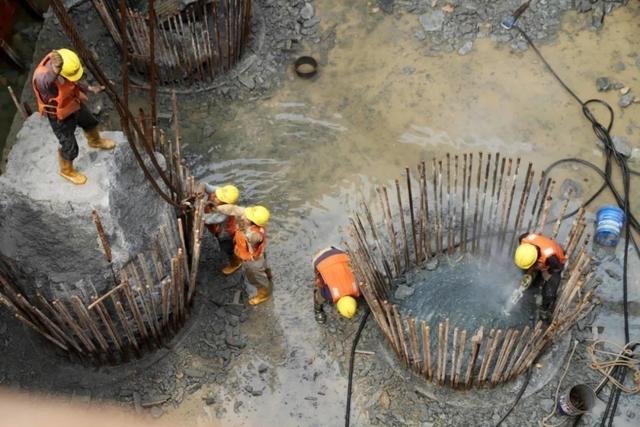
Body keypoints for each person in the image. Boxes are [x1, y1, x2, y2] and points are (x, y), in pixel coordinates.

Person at [32, 48, 115, 185]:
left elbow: (72, 82)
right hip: (59, 115)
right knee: (69, 146)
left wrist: (90, 88)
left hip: (73, 102)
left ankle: (94, 141)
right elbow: (45, 83)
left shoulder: (66, 64)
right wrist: (55, 70)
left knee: (90, 122)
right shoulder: (42, 77)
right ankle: (66, 170)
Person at [215, 204, 272, 305]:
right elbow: (235, 209)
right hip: (259, 254)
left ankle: (263, 293)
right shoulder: (257, 223)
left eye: (247, 217)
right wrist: (216, 208)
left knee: (255, 277)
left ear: (252, 222)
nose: (244, 216)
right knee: (264, 266)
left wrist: (240, 226)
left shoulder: (254, 236)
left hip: (252, 260)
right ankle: (268, 274)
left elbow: (246, 235)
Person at [514, 232, 567, 323]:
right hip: (539, 260)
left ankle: (544, 309)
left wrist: (545, 272)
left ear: (535, 260)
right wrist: (529, 272)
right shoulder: (523, 239)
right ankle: (529, 287)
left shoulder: (551, 258)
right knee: (527, 278)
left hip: (553, 266)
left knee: (549, 292)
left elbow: (558, 267)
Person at [312, 247, 360, 324]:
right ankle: (317, 310)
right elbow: (321, 286)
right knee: (320, 293)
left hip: (339, 252)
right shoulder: (328, 295)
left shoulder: (358, 288)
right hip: (319, 260)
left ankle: (318, 310)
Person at [203, 184, 241, 273]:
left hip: (226, 234)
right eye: (216, 195)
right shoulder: (220, 191)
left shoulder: (223, 214)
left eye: (217, 198)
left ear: (225, 204)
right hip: (222, 229)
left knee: (228, 249)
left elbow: (206, 219)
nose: (214, 196)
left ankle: (235, 263)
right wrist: (200, 189)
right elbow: (204, 185)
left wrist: (194, 210)